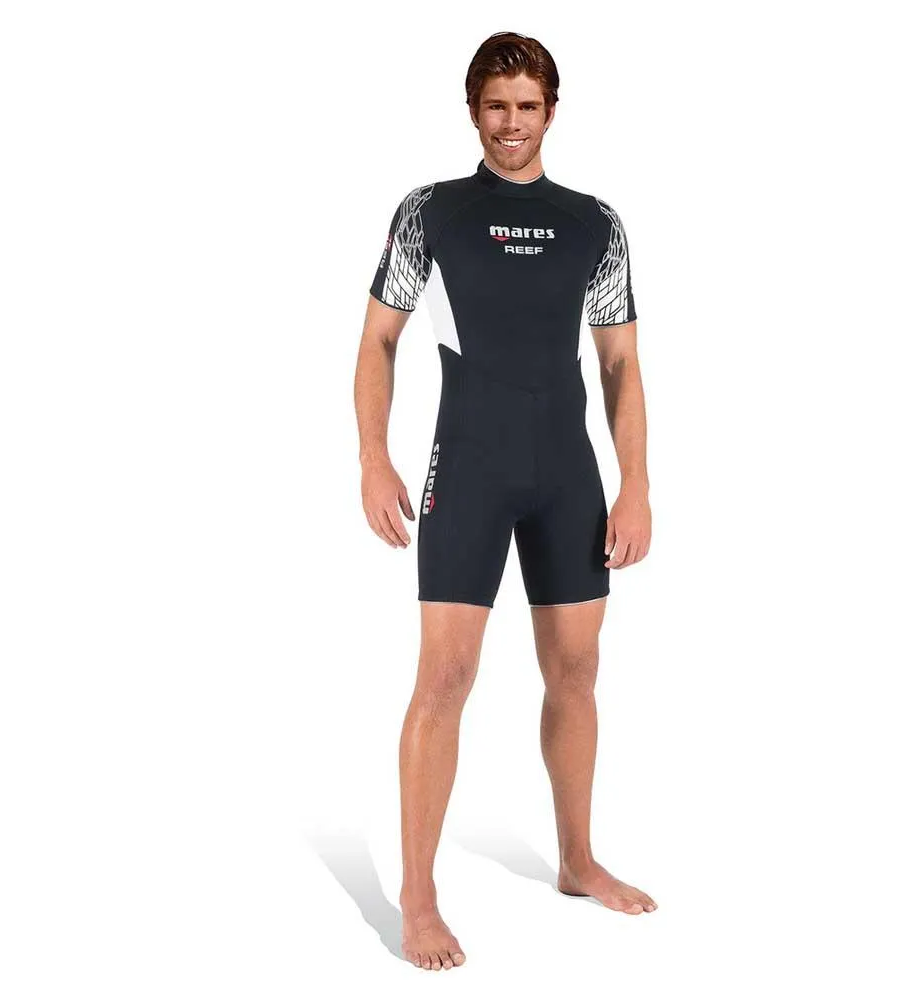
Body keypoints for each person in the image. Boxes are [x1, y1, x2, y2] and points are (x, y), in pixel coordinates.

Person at [353, 31, 655, 971]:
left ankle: (577, 859)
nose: (512, 123)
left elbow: (620, 362)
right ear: (473, 111)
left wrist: (637, 484)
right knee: (444, 679)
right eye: (496, 106)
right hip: (470, 469)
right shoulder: (431, 213)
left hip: (566, 472)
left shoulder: (595, 223)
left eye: (528, 106)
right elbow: (378, 340)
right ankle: (418, 898)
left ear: (551, 112)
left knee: (578, 671)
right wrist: (373, 458)